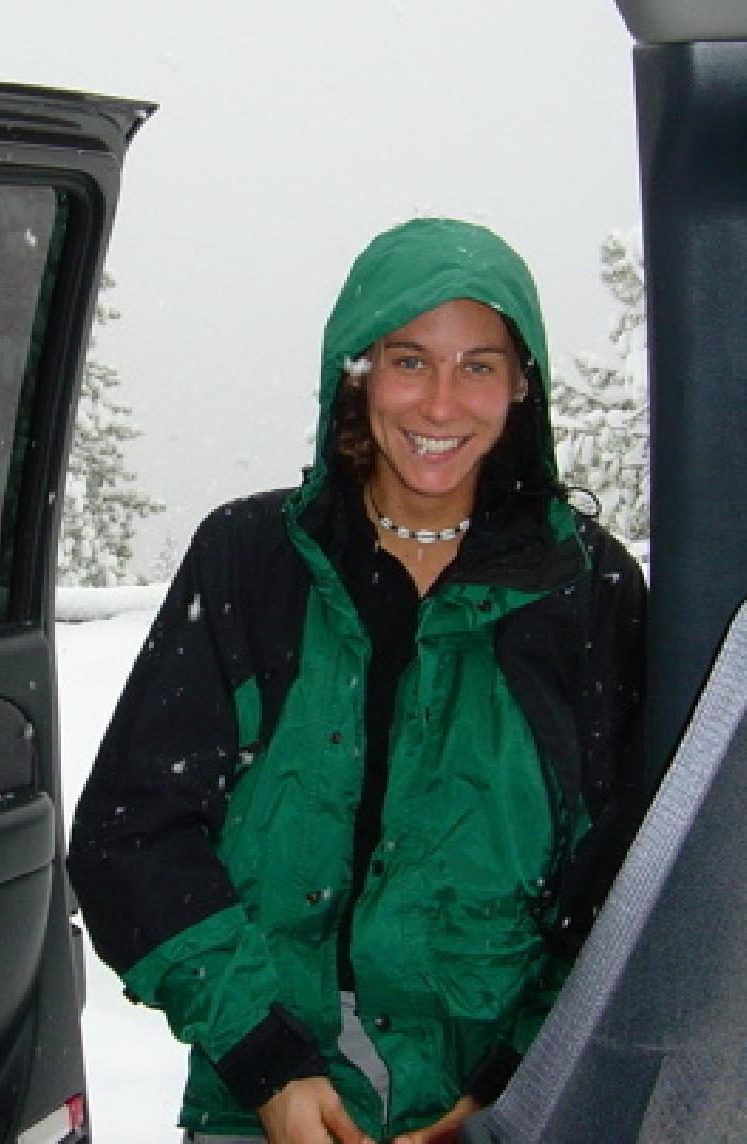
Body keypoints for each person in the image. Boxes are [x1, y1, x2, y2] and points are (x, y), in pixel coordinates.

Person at [67, 217, 646, 1144]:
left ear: (522, 386)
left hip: (501, 1108)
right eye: (409, 360)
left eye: (480, 366)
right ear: (357, 371)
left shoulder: (587, 591)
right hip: (263, 1098)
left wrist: (515, 1081)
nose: (441, 404)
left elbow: (626, 876)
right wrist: (268, 1064)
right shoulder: (251, 562)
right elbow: (130, 837)